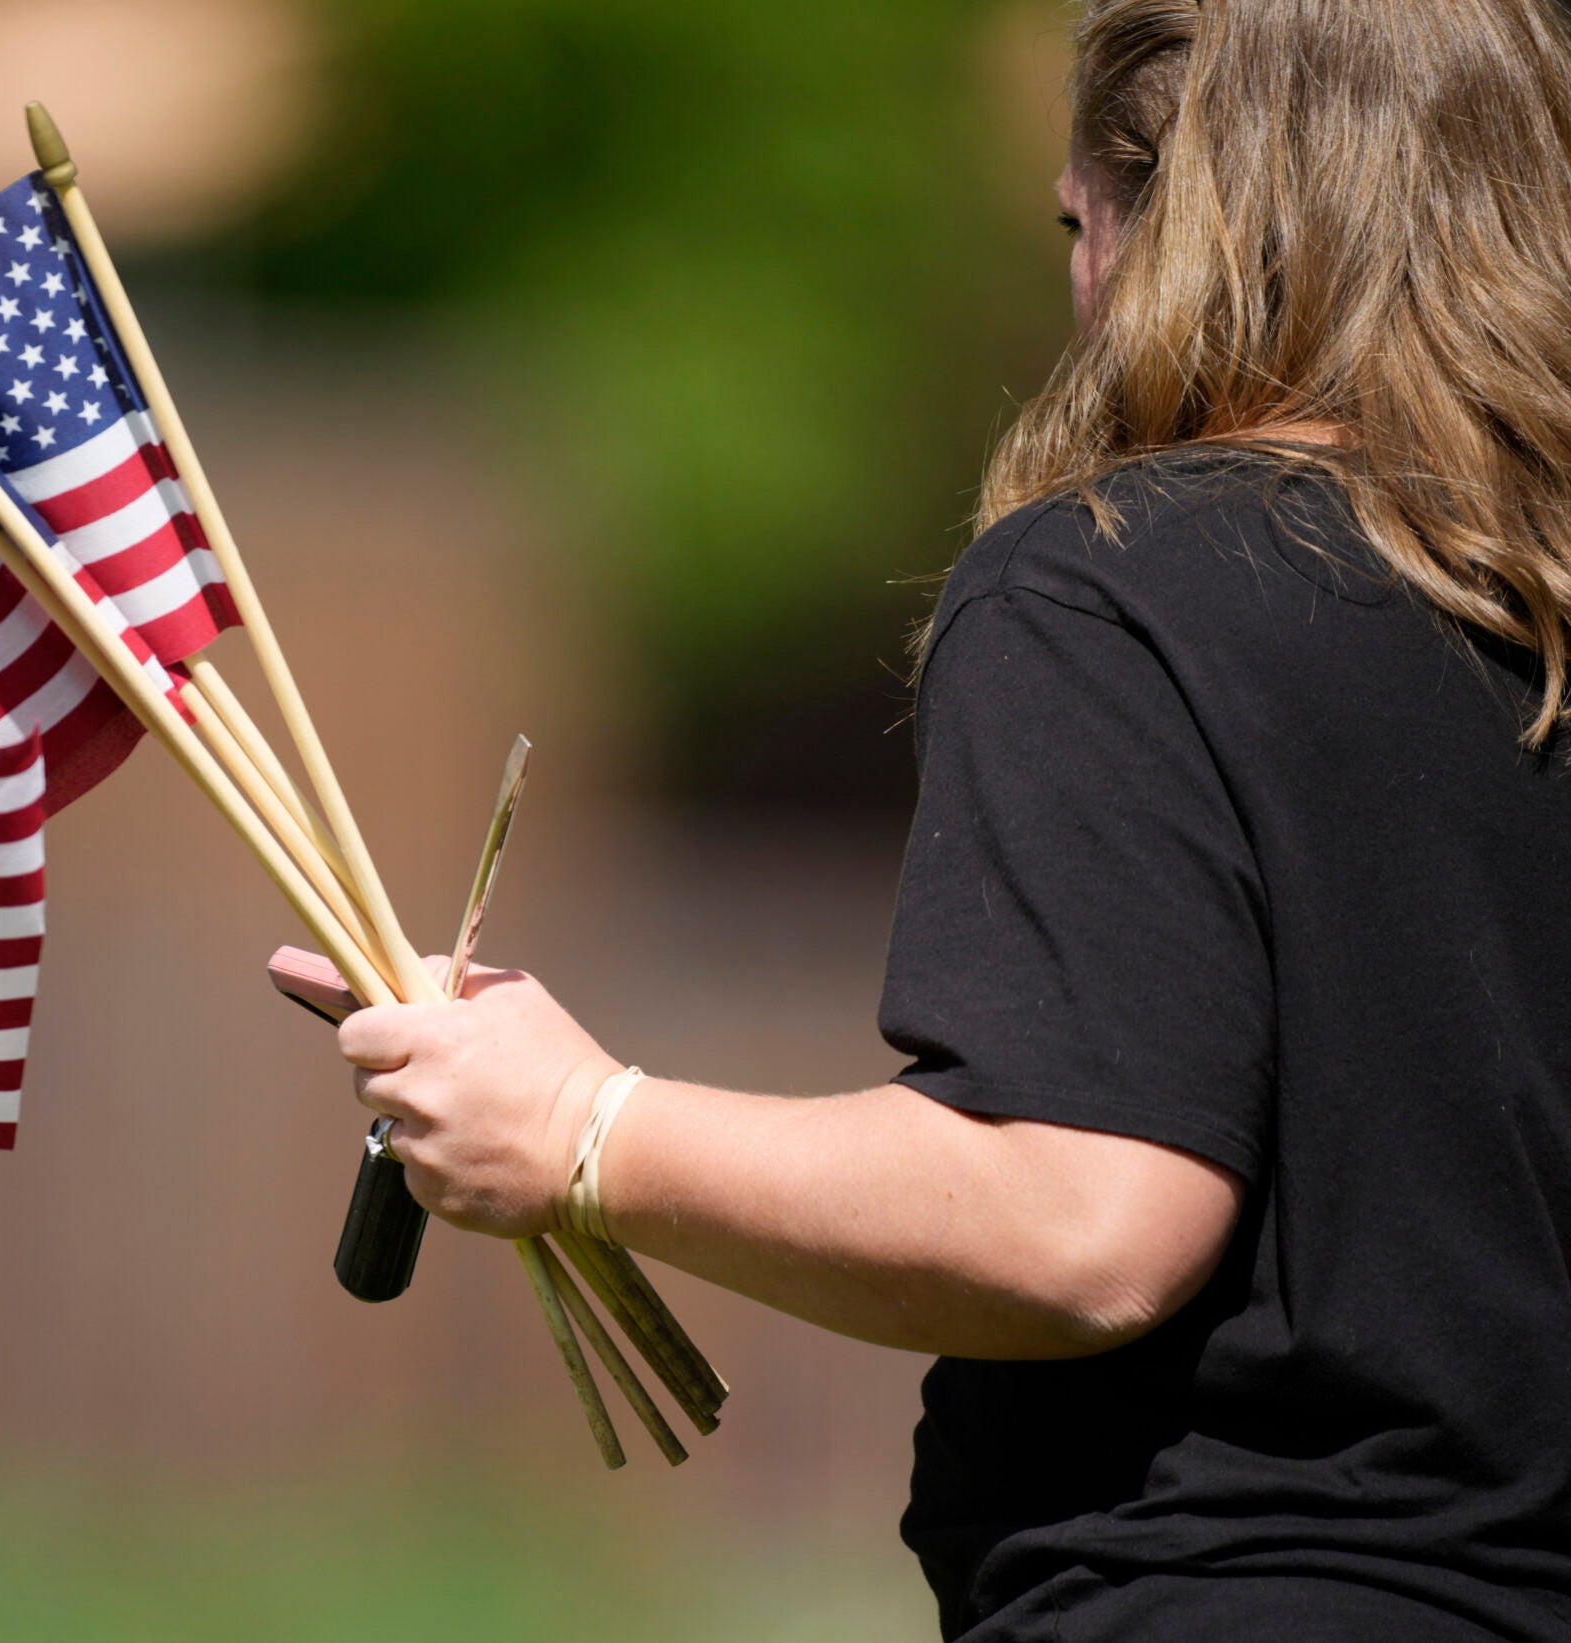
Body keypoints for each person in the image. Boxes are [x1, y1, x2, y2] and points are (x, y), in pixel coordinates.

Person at [335, 1, 1571, 1637]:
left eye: (1083, 222)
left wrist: (582, 1130)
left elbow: (1081, 1216)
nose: (1078, 284)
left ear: (1180, 225)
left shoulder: (1117, 577)